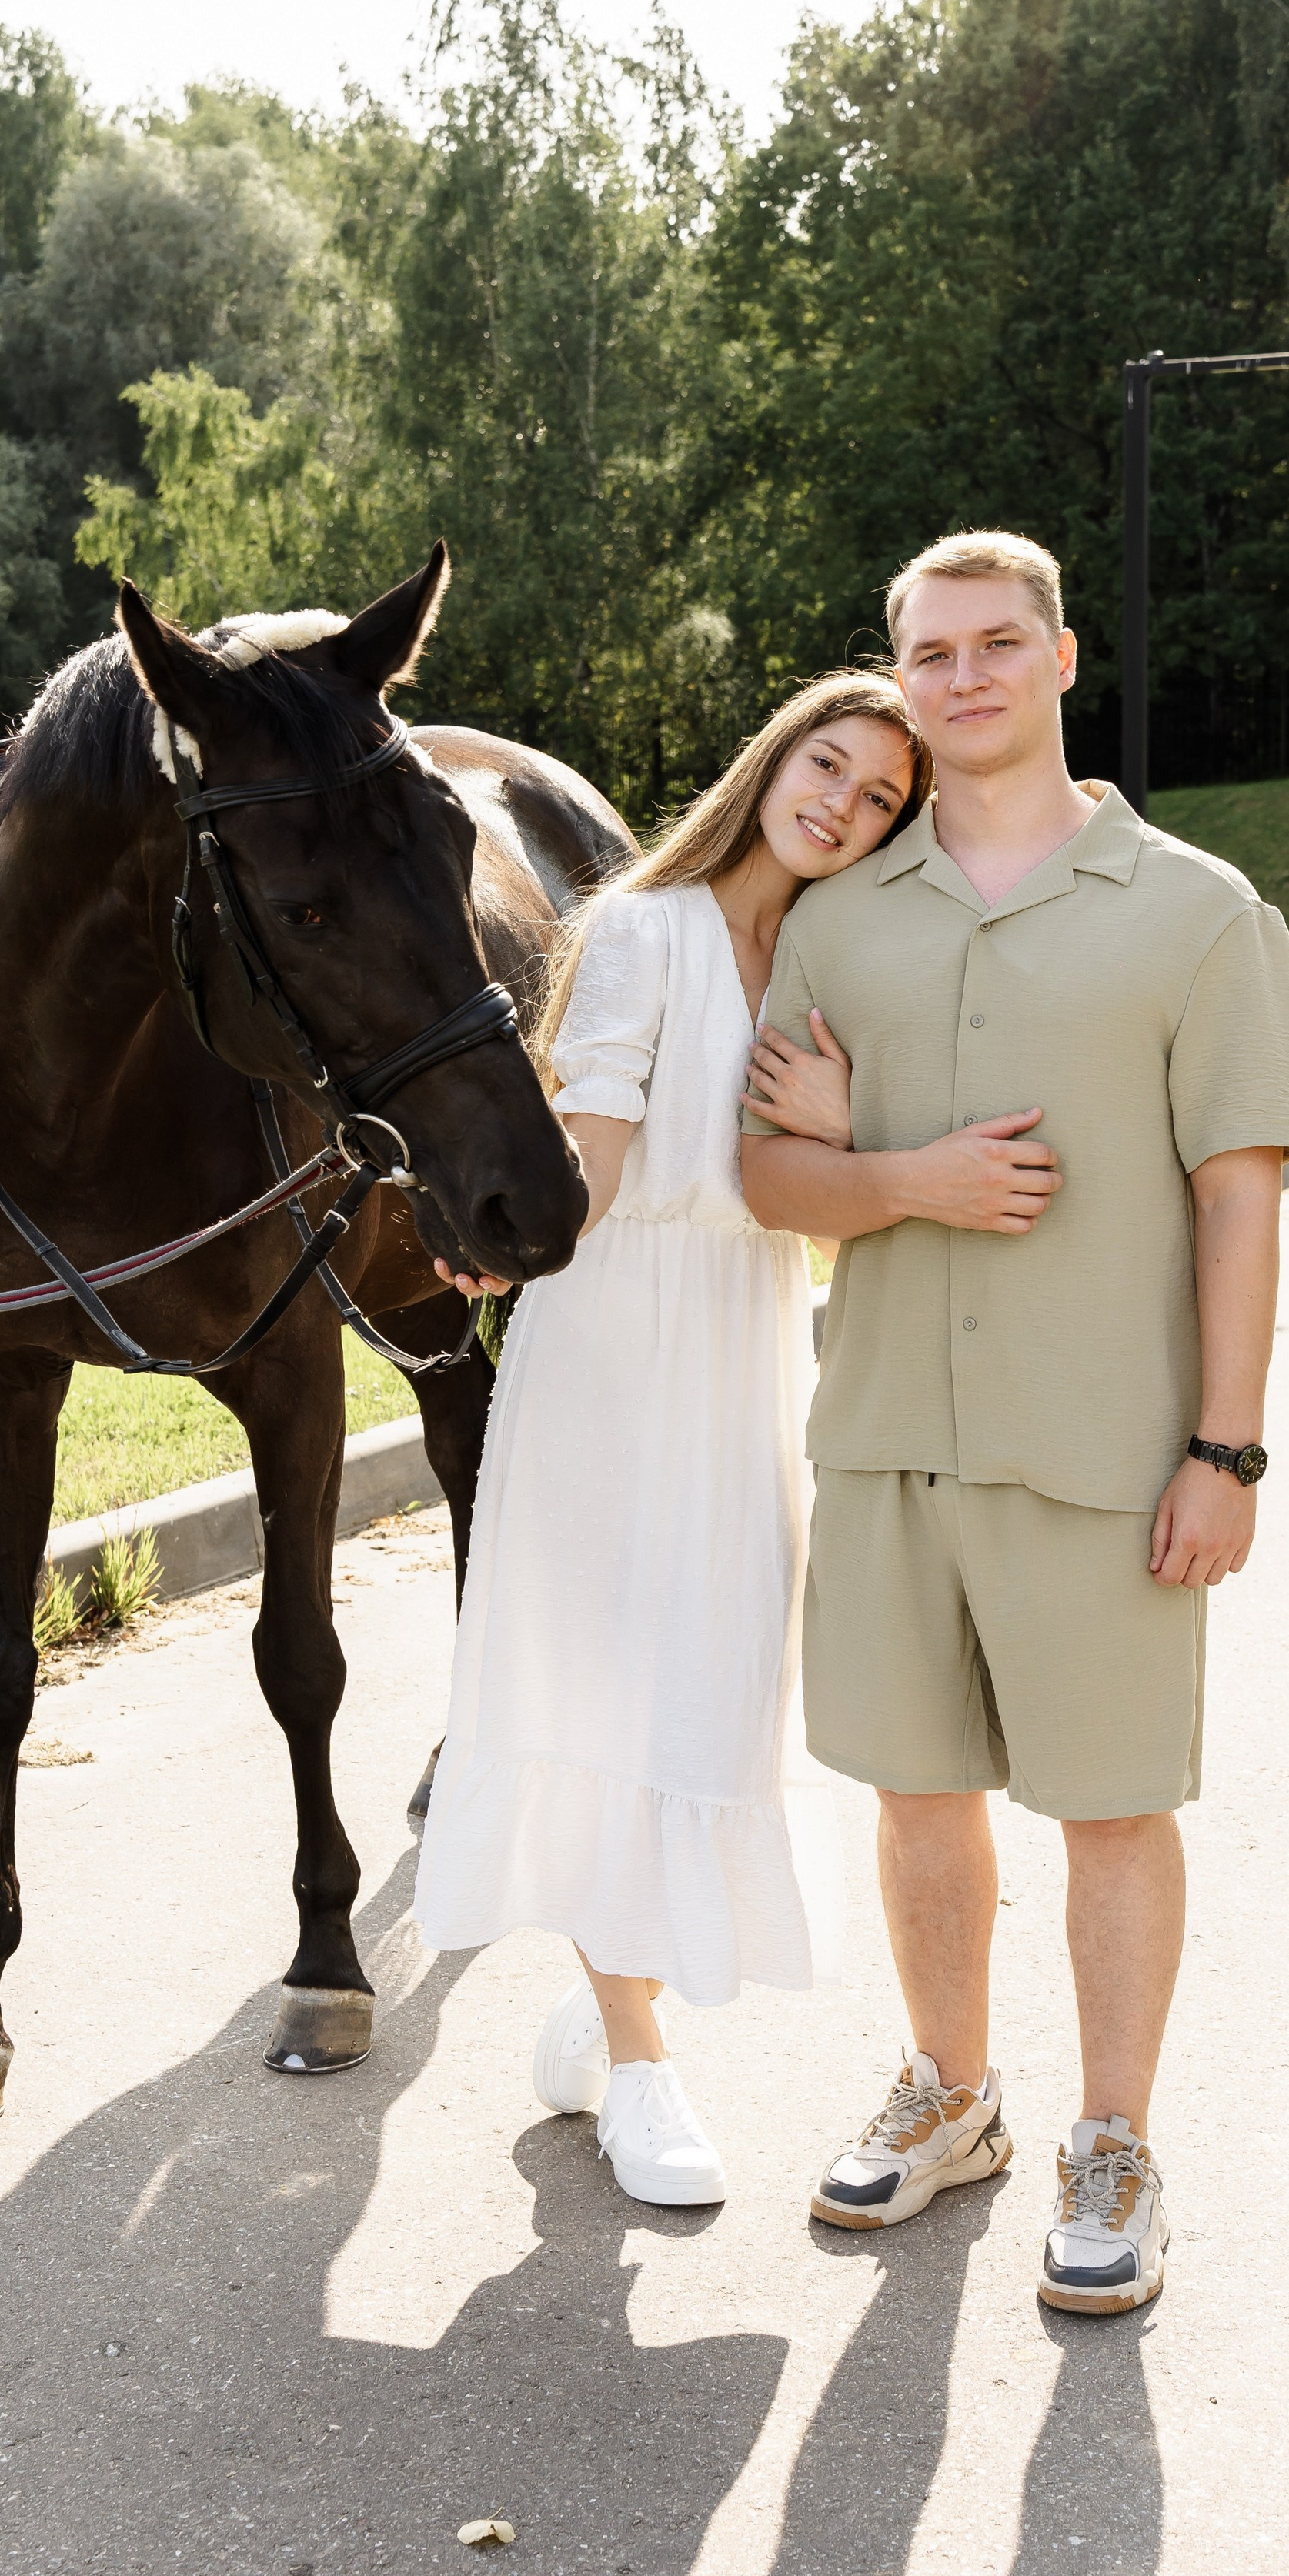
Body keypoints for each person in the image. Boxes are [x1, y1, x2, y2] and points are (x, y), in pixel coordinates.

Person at [741, 529, 1289, 2313]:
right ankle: (951, 2100)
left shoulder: (1199, 911)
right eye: (929, 655)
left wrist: (1222, 1452)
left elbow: (1237, 1197)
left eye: (997, 646)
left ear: (1061, 662)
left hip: (1105, 1451)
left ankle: (1115, 2141)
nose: (963, 678)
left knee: (1111, 1807)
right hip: (891, 1433)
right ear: (896, 678)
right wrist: (891, 1175)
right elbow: (773, 1178)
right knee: (918, 1797)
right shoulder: (834, 918)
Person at [412, 676, 930, 2208]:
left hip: (747, 1340)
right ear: (772, 761)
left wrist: (845, 1128)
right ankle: (641, 2068)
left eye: (877, 799)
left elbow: (813, 1192)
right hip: (614, 1352)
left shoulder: (828, 957)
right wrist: (507, 1234)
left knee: (709, 1698)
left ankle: (603, 1999)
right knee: (600, 1696)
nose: (839, 803)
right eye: (824, 765)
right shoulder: (643, 926)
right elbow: (600, 1148)